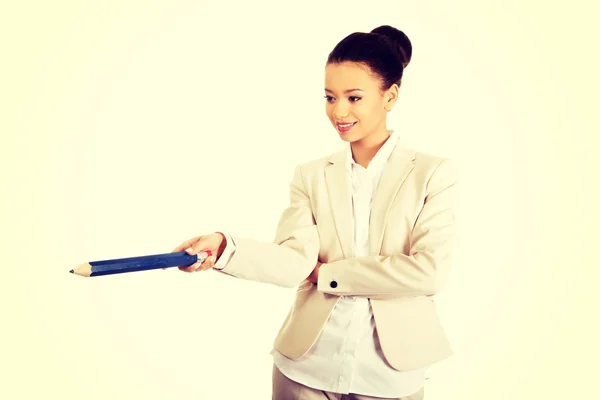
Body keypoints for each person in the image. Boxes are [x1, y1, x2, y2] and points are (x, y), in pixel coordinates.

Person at [171, 25, 457, 400]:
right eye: (329, 97)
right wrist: (226, 248)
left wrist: (327, 274)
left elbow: (427, 272)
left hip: (390, 377)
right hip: (305, 369)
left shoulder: (431, 173)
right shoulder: (310, 175)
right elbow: (293, 262)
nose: (338, 111)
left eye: (354, 97)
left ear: (390, 96)